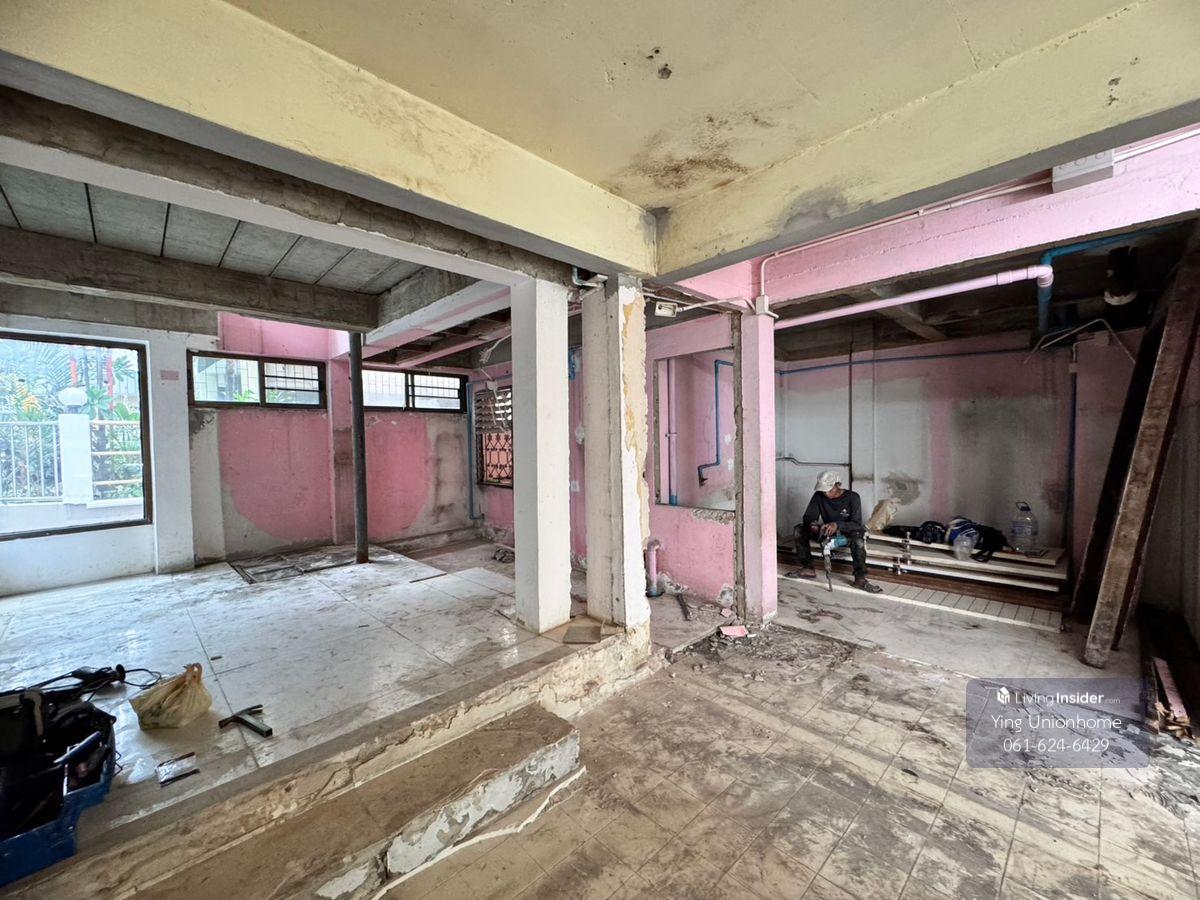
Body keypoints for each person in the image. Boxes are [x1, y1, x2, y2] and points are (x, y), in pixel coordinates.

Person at [789, 470, 883, 593]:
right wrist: (813, 525)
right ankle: (808, 568)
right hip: (826, 530)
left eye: (830, 490)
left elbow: (856, 524)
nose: (826, 494)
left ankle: (860, 578)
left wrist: (837, 525)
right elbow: (808, 517)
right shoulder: (818, 496)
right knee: (799, 530)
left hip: (846, 533)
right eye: (824, 491)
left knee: (859, 540)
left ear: (838, 485)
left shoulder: (853, 497)